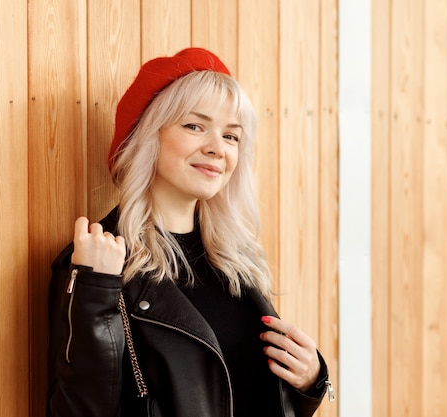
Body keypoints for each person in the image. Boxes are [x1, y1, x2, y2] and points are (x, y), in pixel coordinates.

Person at [47, 47, 332, 417]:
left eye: (231, 136)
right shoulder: (96, 263)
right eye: (195, 126)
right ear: (149, 135)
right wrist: (93, 289)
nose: (217, 148)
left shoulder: (236, 261)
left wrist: (310, 379)